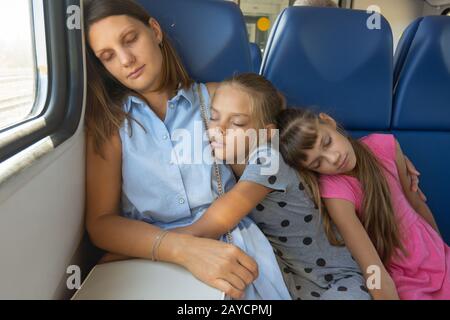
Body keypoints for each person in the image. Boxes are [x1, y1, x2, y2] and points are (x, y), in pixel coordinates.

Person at [83, 0, 290, 299]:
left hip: (230, 242)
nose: (126, 59)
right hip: (151, 252)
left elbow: (276, 104)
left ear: (154, 31)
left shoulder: (219, 98)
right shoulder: (109, 124)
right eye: (108, 56)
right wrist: (179, 248)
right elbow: (101, 223)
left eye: (130, 40)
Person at [174, 73, 372, 300]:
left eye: (237, 123)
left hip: (338, 281)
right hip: (295, 285)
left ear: (266, 133)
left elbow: (215, 222)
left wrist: (155, 244)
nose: (219, 129)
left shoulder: (268, 160)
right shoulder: (227, 158)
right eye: (214, 117)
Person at [276, 108, 450, 299]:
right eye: (318, 163)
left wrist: (442, 249)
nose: (333, 158)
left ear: (328, 121)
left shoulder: (384, 145)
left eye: (327, 142)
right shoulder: (335, 194)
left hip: (438, 255)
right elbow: (371, 267)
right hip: (404, 278)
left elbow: (417, 205)